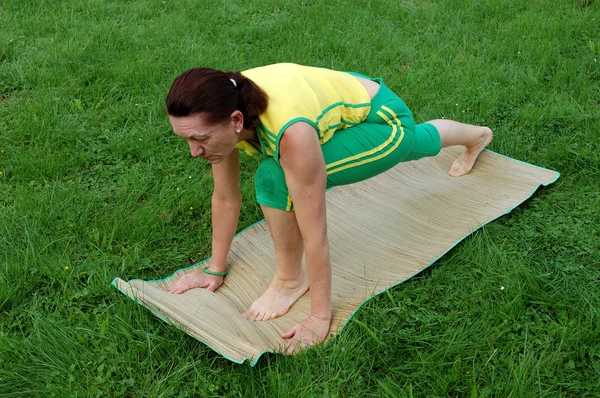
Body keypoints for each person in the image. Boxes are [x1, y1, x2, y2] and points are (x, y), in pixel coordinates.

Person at [164, 63, 493, 353]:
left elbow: (316, 233)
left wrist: (319, 317)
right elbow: (225, 198)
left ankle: (290, 280)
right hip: (362, 100)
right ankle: (478, 136)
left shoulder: (288, 133)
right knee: (416, 142)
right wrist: (214, 270)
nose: (194, 151)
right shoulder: (225, 103)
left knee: (274, 178)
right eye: (187, 140)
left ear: (236, 121)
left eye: (200, 139)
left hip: (384, 121)